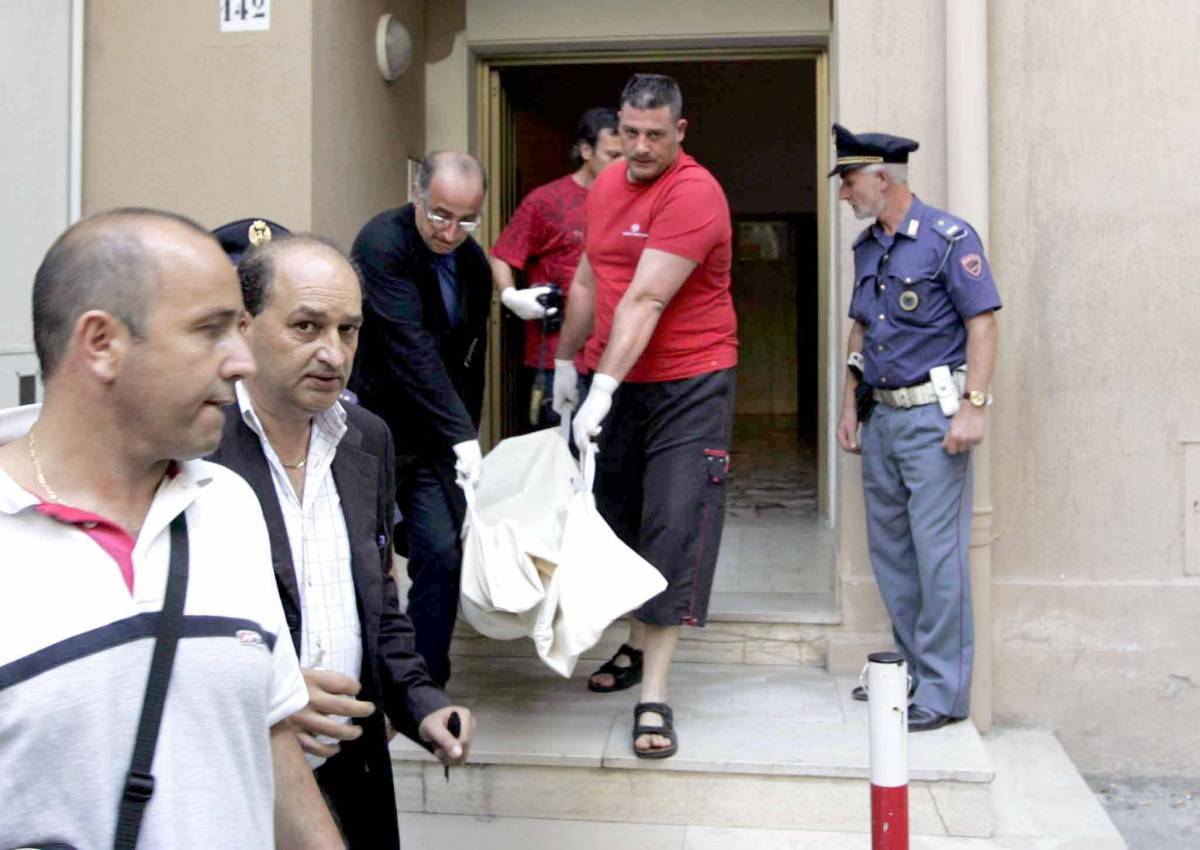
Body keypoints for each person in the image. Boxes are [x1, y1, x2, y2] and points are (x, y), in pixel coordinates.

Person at [0, 208, 342, 848]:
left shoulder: (229, 506)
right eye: (210, 331)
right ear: (101, 343)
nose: (242, 361)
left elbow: (267, 743)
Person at [207, 231, 476, 847]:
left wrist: (420, 701)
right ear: (245, 325)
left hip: (352, 769)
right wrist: (270, 699)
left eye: (348, 330)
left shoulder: (365, 438)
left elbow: (376, 602)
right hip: (240, 782)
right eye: (306, 327)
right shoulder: (198, 448)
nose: (333, 353)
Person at [552, 73, 738, 759]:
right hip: (614, 374)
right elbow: (590, 279)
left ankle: (653, 692)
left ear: (679, 132)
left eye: (654, 135)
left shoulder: (695, 192)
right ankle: (634, 646)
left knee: (672, 523)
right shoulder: (605, 187)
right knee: (620, 521)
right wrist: (565, 366)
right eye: (629, 132)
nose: (639, 146)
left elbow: (644, 301)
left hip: (690, 381)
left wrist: (598, 391)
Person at [830, 123, 1001, 732]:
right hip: (881, 415)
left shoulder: (948, 239)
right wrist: (849, 404)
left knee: (938, 556)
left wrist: (974, 406)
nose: (844, 194)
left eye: (849, 182)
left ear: (883, 178)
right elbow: (860, 330)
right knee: (893, 553)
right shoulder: (867, 247)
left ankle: (944, 692)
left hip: (934, 418)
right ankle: (909, 671)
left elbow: (982, 322)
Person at [349, 151, 492, 686]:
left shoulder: (474, 264)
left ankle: (425, 682)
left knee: (441, 551)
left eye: (466, 220)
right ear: (417, 193)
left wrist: (466, 437)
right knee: (366, 557)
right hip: (375, 429)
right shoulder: (381, 243)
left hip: (434, 437)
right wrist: (461, 436)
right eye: (439, 215)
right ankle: (366, 673)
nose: (451, 232)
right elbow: (409, 349)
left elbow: (467, 361)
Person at [489, 107, 624, 429]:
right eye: (612, 155)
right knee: (561, 457)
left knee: (609, 461)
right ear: (586, 150)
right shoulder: (547, 201)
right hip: (555, 355)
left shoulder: (632, 200)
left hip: (615, 351)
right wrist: (510, 296)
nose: (621, 164)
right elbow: (502, 254)